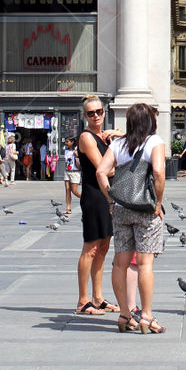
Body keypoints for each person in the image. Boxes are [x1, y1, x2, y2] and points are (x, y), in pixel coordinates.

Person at [96, 101, 167, 334]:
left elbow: (100, 171)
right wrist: (157, 201)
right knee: (145, 264)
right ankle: (146, 315)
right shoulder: (154, 142)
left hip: (121, 208)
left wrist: (110, 198)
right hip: (146, 210)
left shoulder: (118, 144)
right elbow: (158, 171)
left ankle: (125, 314)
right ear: (151, 121)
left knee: (120, 262)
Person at [75, 97, 117, 316]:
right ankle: (83, 300)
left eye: (98, 111)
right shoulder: (86, 137)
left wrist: (118, 137)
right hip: (93, 196)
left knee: (103, 247)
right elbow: (105, 169)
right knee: (90, 248)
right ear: (85, 116)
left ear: (104, 111)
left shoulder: (106, 137)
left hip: (107, 196)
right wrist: (119, 156)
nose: (95, 116)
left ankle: (98, 297)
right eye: (90, 113)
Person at [63, 136, 81, 215]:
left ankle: (87, 198)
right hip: (67, 171)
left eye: (67, 142)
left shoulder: (77, 150)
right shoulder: (66, 151)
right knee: (67, 189)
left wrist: (77, 155)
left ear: (72, 142)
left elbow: (82, 160)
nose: (66, 143)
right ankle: (68, 208)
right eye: (66, 142)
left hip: (75, 172)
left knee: (74, 191)